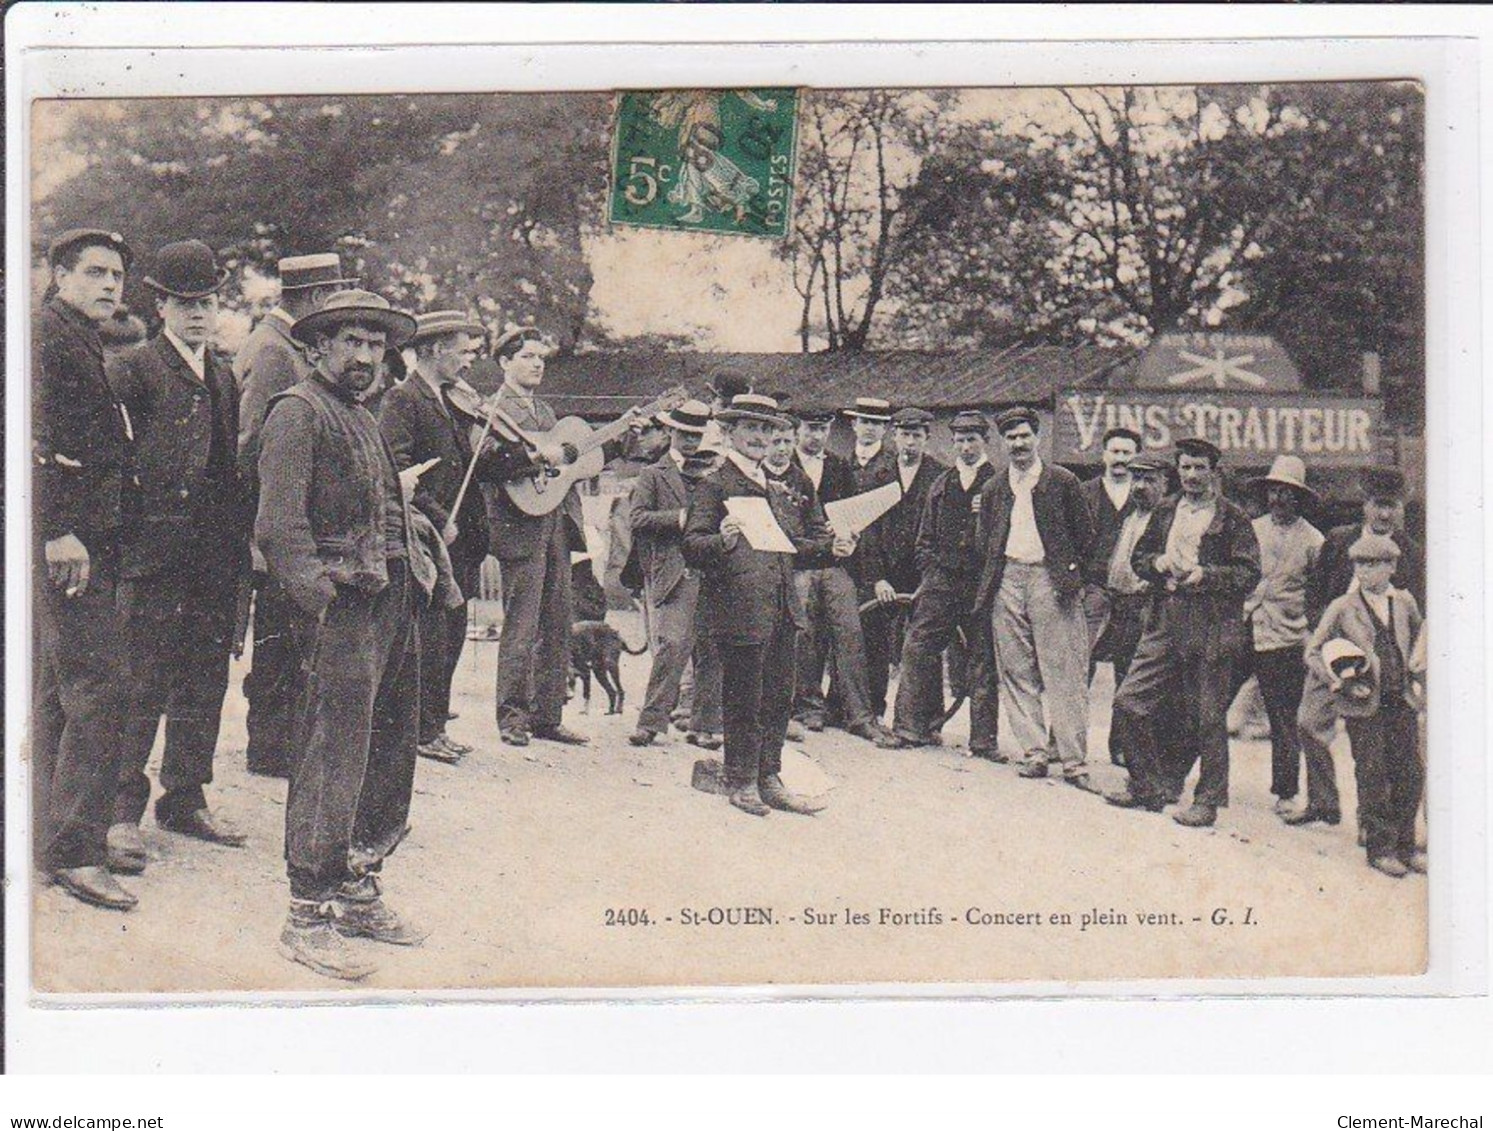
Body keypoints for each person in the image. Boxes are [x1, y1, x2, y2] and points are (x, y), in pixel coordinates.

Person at [257, 288, 429, 980]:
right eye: (350, 341)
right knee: (331, 754)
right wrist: (320, 604)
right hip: (341, 607)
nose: (364, 355)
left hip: (389, 599)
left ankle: (357, 887)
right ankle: (306, 909)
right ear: (317, 347)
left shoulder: (363, 414)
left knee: (386, 748)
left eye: (375, 343)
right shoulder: (298, 411)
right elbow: (278, 526)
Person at [105, 240, 250, 874]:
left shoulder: (222, 372)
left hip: (212, 555)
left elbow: (228, 467)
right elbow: (115, 464)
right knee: (142, 679)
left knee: (203, 677)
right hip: (153, 553)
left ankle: (185, 796)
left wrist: (242, 547)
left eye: (208, 302)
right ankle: (117, 810)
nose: (197, 314)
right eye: (185, 303)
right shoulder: (133, 367)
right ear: (161, 305)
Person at [32, 228, 140, 911]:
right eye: (95, 272)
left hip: (90, 537)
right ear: (58, 274)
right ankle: (76, 849)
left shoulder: (80, 337)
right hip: (70, 542)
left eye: (117, 276)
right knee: (101, 685)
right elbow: (32, 440)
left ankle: (47, 834)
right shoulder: (47, 338)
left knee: (59, 686)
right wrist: (57, 528)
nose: (109, 285)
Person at [378, 309, 529, 765]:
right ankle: (422, 730)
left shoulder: (450, 400)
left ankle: (435, 723)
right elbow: (399, 471)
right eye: (462, 352)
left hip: (460, 539)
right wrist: (439, 516)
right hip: (431, 536)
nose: (468, 363)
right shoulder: (402, 400)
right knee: (431, 637)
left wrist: (518, 457)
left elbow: (472, 468)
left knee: (453, 634)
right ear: (434, 350)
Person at [482, 327, 641, 747]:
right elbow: (491, 465)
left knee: (558, 622)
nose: (537, 364)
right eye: (527, 357)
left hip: (556, 523)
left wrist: (621, 437)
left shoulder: (548, 415)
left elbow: (575, 463)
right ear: (504, 362)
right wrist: (537, 462)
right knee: (522, 624)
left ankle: (547, 716)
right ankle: (512, 716)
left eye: (541, 358)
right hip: (521, 523)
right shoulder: (494, 410)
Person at [236, 252, 356, 778]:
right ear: (310, 300)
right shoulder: (273, 350)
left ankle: (279, 743)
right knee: (278, 641)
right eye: (330, 297)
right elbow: (249, 442)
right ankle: (269, 748)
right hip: (277, 524)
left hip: (288, 521)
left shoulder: (286, 346)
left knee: (285, 640)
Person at [683, 394, 831, 818]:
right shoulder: (715, 484)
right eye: (751, 428)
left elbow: (794, 547)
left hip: (782, 605)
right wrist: (723, 540)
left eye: (767, 429)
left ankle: (769, 777)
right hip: (738, 607)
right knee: (744, 696)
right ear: (729, 433)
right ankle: (741, 778)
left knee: (778, 697)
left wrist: (833, 549)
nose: (760, 438)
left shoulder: (777, 487)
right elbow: (692, 545)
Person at [1106, 438, 1261, 827]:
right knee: (1129, 701)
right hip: (1165, 618)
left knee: (1207, 717)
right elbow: (1139, 558)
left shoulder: (1232, 518)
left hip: (1210, 624)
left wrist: (1206, 575)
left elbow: (1248, 573)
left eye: (1199, 468)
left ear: (1214, 472)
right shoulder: (1165, 510)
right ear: (1177, 470)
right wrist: (1157, 563)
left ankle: (1207, 800)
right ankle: (1148, 784)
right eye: (1186, 468)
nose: (1191, 476)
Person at [1292, 466, 1425, 829]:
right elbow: (1315, 593)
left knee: (1374, 747)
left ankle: (1372, 821)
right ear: (1365, 505)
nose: (1385, 514)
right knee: (1308, 723)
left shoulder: (1411, 555)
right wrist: (1326, 634)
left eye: (1393, 506)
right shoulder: (1337, 541)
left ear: (1402, 508)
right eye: (1378, 505)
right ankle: (1323, 802)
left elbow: (1417, 617)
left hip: (1380, 665)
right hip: (1335, 652)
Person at [972, 406, 1097, 791]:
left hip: (1050, 579)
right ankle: (1034, 752)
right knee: (1016, 670)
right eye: (1011, 438)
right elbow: (984, 539)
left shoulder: (1063, 481)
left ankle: (1074, 761)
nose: (1019, 444)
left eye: (1025, 436)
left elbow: (1087, 536)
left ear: (1037, 438)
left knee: (1064, 671)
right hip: (1007, 578)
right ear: (1003, 443)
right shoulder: (994, 487)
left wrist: (1068, 575)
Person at [1302, 533, 1425, 877]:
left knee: (1410, 773)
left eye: (1374, 564)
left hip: (1400, 701)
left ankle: (1406, 845)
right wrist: (1338, 681)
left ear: (1392, 566)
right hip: (1363, 704)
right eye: (1360, 563)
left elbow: (1417, 643)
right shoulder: (1342, 606)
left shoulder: (1403, 602)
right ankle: (1381, 849)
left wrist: (1418, 679)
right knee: (1373, 774)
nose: (1365, 571)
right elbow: (1313, 652)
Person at [887, 411, 998, 754]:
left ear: (985, 442)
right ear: (952, 444)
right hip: (942, 581)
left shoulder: (999, 482)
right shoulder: (942, 483)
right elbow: (925, 537)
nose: (966, 447)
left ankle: (982, 740)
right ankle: (911, 728)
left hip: (981, 584)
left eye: (972, 440)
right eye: (960, 441)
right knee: (918, 646)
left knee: (981, 659)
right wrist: (931, 571)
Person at [779, 408, 889, 743]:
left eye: (823, 429)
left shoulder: (839, 466)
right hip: (798, 563)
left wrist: (844, 528)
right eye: (810, 429)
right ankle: (806, 706)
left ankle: (858, 713)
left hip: (836, 563)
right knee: (804, 634)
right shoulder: (785, 466)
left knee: (850, 630)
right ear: (798, 431)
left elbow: (853, 511)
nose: (817, 436)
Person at [626, 400, 724, 747]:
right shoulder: (653, 474)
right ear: (669, 432)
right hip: (674, 569)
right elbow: (637, 519)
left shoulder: (714, 474)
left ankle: (706, 725)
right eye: (684, 434)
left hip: (710, 569)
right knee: (673, 644)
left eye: (696, 436)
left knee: (711, 648)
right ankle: (651, 722)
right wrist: (680, 518)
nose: (690, 442)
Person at [1237, 455, 1325, 818]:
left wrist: (1306, 632)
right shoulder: (1251, 529)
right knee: (1209, 701)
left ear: (1299, 498)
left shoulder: (1313, 541)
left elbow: (1318, 595)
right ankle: (1177, 774)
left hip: (1286, 636)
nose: (1279, 499)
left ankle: (1286, 792)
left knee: (1284, 718)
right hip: (1244, 626)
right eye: (1274, 491)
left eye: (1287, 493)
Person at [1089, 451, 1170, 761]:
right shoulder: (1130, 516)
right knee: (1120, 673)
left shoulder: (1166, 518)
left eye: (1149, 479)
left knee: (1136, 681)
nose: (1141, 486)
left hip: (1147, 604)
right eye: (1136, 479)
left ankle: (1133, 750)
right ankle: (1119, 747)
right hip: (1118, 602)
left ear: (1164, 482)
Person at [844, 396, 901, 720]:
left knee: (876, 637)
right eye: (865, 422)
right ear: (854, 425)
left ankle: (874, 707)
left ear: (885, 429)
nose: (870, 428)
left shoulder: (892, 467)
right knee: (842, 633)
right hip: (844, 562)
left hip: (879, 564)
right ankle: (839, 704)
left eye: (877, 423)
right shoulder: (841, 464)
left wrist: (882, 571)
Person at [1081, 427, 1141, 681]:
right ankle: (1070, 721)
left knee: (1128, 665)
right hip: (1092, 588)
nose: (1120, 458)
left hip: (1132, 593)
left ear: (1136, 457)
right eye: (1114, 451)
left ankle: (1123, 722)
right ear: (1103, 455)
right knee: (1082, 657)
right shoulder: (1084, 492)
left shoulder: (1144, 495)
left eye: (1127, 452)